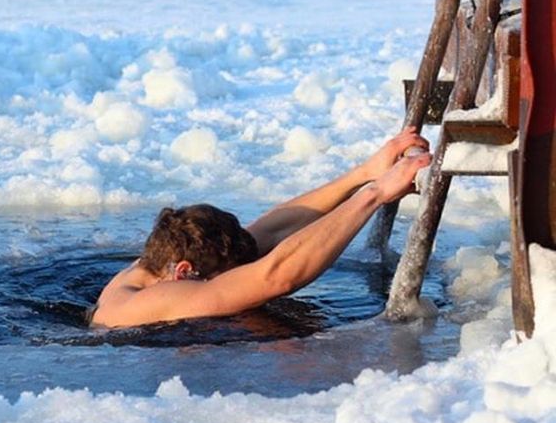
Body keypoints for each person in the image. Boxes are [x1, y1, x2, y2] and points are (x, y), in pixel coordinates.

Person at [90, 127, 431, 328]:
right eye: (229, 272)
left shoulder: (160, 262)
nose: (241, 270)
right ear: (184, 272)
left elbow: (268, 232)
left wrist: (364, 174)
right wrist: (375, 196)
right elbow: (276, 276)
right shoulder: (154, 299)